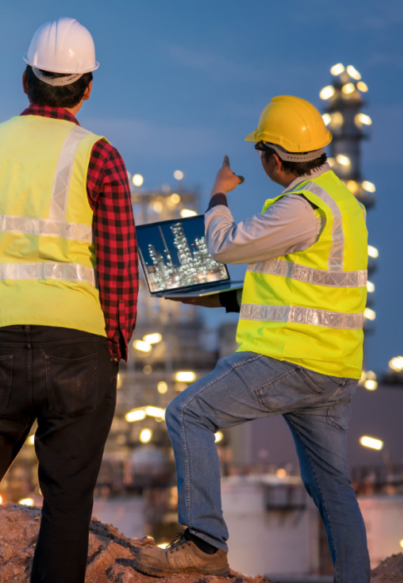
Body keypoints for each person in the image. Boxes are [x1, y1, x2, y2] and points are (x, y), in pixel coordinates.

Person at [0, 17, 139, 583]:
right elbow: (116, 265)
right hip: (81, 350)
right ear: (88, 86)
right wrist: (115, 341)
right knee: (66, 502)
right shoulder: (100, 155)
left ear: (25, 80)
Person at [134, 95, 370, 582]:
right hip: (334, 367)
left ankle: (204, 542)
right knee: (330, 486)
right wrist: (215, 300)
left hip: (291, 358)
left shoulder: (301, 209)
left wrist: (219, 195)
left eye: (260, 155)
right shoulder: (340, 203)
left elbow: (223, 243)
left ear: (274, 159)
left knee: (188, 412)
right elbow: (298, 290)